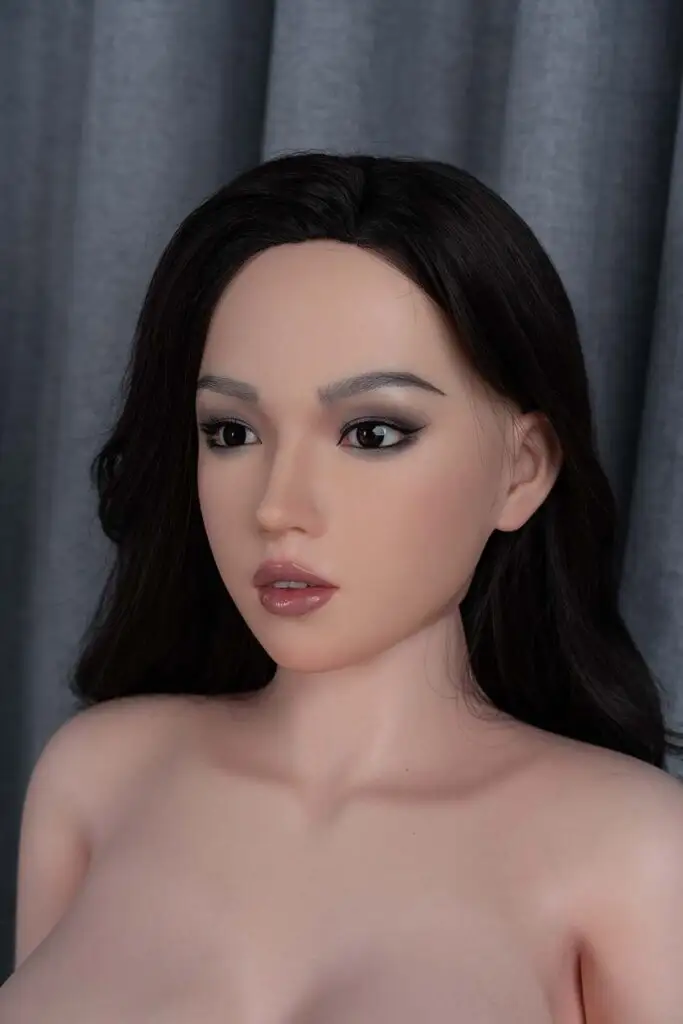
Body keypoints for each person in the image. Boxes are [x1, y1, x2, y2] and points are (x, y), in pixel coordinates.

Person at [3, 151, 683, 1022]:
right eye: (231, 432)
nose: (277, 507)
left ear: (521, 469)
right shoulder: (97, 776)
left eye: (371, 433)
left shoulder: (634, 852)